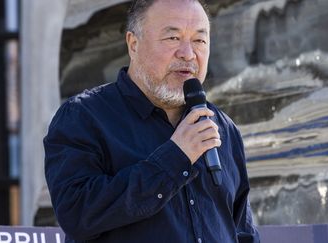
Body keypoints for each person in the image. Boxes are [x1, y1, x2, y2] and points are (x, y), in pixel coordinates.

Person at [44, 0, 260, 242]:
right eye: (172, 38)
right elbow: (77, 214)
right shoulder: (84, 117)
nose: (188, 54)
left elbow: (242, 231)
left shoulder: (223, 128)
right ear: (133, 44)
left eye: (199, 40)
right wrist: (176, 158)